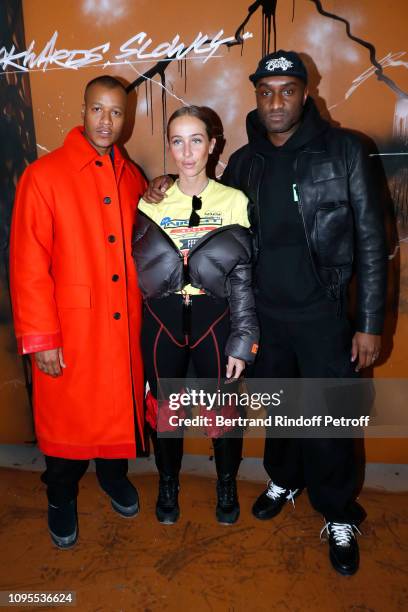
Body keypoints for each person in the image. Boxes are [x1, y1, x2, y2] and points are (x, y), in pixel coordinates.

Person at [143, 51, 387, 575]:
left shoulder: (345, 151)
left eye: (287, 90)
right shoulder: (246, 161)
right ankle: (284, 478)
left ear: (305, 93)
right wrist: (162, 183)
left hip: (323, 314)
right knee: (282, 413)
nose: (276, 102)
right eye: (266, 91)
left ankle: (338, 512)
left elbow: (371, 242)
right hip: (264, 318)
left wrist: (368, 322)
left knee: (328, 420)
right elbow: (209, 205)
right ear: (256, 95)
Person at [9, 76, 147, 548]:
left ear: (125, 118)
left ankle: (112, 478)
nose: (106, 121)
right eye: (98, 110)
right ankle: (60, 496)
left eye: (116, 112)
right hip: (70, 330)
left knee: (116, 412)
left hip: (122, 325)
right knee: (67, 424)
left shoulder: (133, 179)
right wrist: (41, 337)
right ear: (82, 109)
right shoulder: (43, 175)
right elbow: (27, 263)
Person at [132, 105, 259, 526]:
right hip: (161, 323)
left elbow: (242, 280)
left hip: (214, 322)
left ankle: (226, 482)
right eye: (177, 141)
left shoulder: (234, 201)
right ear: (169, 146)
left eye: (196, 140)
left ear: (213, 145)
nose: (187, 152)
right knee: (164, 407)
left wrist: (242, 341)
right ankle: (168, 481)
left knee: (222, 408)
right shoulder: (150, 200)